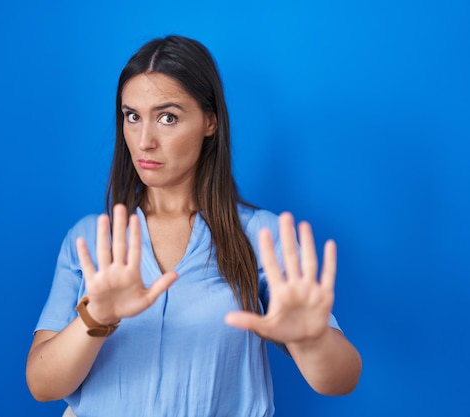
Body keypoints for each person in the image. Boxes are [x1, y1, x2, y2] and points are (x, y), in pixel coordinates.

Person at [26, 35, 362, 417]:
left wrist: (313, 338)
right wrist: (96, 319)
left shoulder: (260, 238)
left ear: (210, 121)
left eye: (167, 117)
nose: (144, 141)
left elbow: (340, 380)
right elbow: (42, 386)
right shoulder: (90, 240)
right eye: (132, 116)